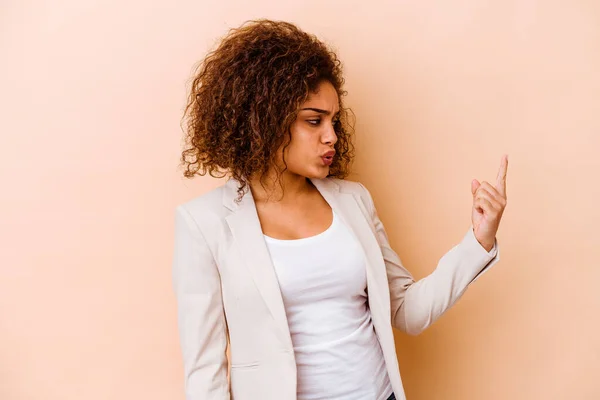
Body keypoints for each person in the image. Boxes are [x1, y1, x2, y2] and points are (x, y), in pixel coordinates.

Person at [172, 19, 508, 400]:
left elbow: (407, 311)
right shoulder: (205, 223)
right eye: (313, 121)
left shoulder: (353, 200)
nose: (331, 135)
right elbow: (205, 373)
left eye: (333, 120)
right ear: (264, 121)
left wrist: (478, 240)